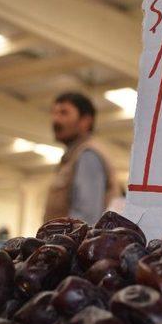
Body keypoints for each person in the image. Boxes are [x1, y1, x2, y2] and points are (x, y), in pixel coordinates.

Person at [43, 92, 120, 225]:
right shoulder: (73, 157)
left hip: (73, 244)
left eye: (64, 113)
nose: (56, 119)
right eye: (54, 113)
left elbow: (86, 218)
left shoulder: (88, 155)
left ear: (85, 121)